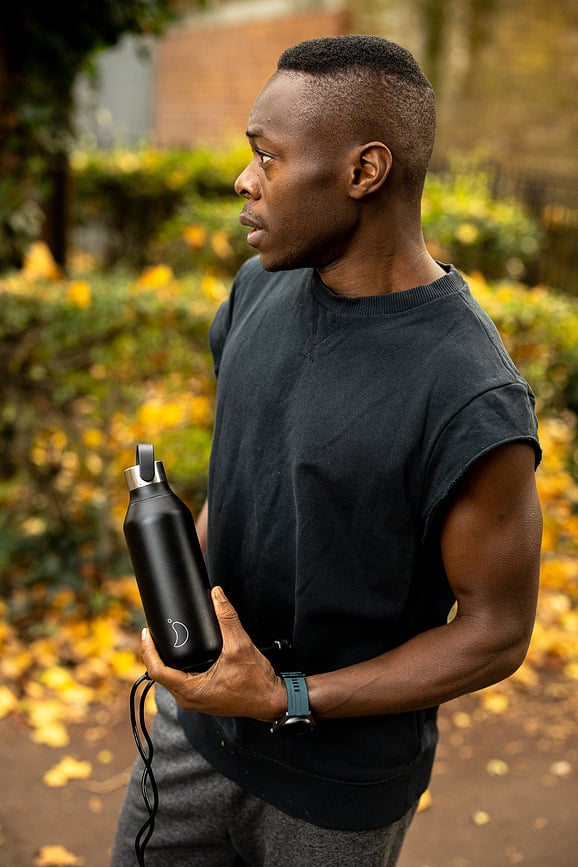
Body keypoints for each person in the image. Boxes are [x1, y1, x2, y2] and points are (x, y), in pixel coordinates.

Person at [111, 35, 542, 866]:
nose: (244, 181)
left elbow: (496, 631)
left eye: (267, 156)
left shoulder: (471, 393)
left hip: (336, 797)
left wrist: (285, 697)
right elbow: (249, 474)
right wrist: (184, 603)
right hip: (190, 740)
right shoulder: (257, 287)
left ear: (364, 171)